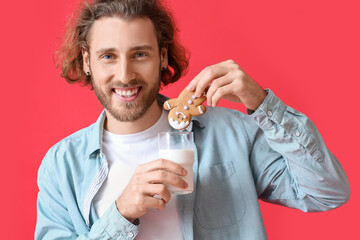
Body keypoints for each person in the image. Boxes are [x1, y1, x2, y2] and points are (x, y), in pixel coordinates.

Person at [35, 0, 350, 239]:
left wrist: (261, 102)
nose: (125, 74)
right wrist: (122, 213)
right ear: (87, 62)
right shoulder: (61, 166)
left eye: (140, 54)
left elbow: (327, 193)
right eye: (108, 56)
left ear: (162, 56)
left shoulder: (232, 134)